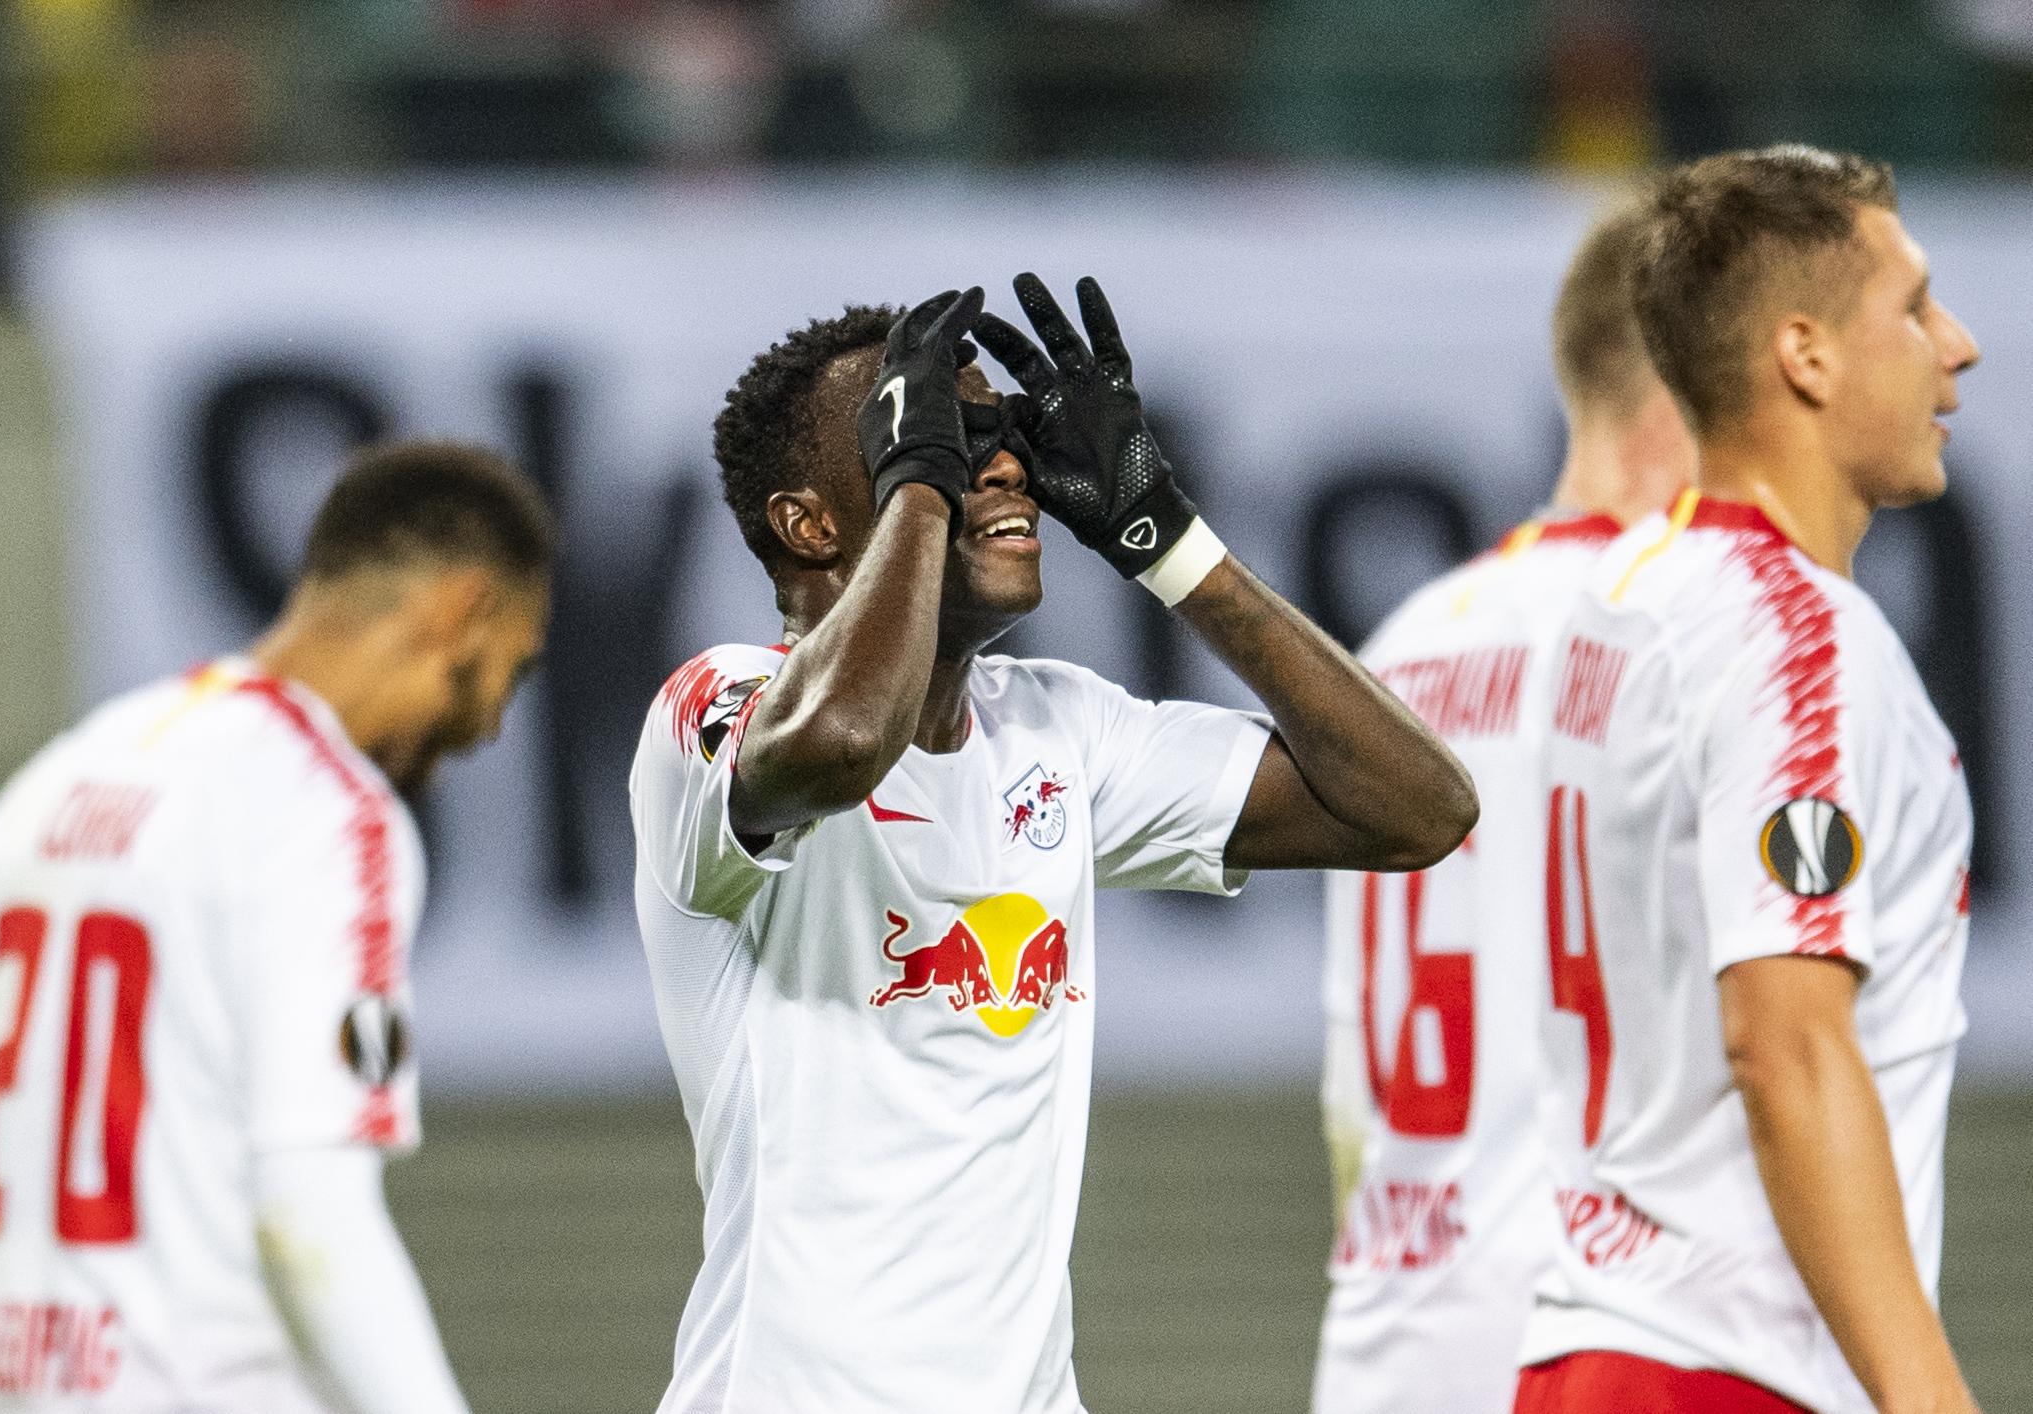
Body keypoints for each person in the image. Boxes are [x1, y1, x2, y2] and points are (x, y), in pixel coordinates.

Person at [628, 277, 1477, 1413]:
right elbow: (837, 742)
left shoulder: (1057, 729)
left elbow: (1417, 807)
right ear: (810, 522)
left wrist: (1165, 541)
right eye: (931, 438)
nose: (1001, 466)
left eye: (1000, 436)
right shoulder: (717, 708)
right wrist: (926, 495)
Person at [0, 441, 553, 1413]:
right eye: (514, 667)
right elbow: (309, 1214)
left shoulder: (68, 771)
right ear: (465, 610)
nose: (494, 720)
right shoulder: (330, 811)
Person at [1515, 146, 1981, 1414]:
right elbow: (1781, 1044)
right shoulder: (1794, 638)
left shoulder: (1617, 602)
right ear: (1805, 353)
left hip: (1582, 1344)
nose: (1958, 346)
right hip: (1729, 1367)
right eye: (1912, 306)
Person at [1314, 201, 1696, 1413]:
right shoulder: (1686, 632)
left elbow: (1347, 1117)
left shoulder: (1396, 649)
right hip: (1606, 1338)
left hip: (1393, 1334)